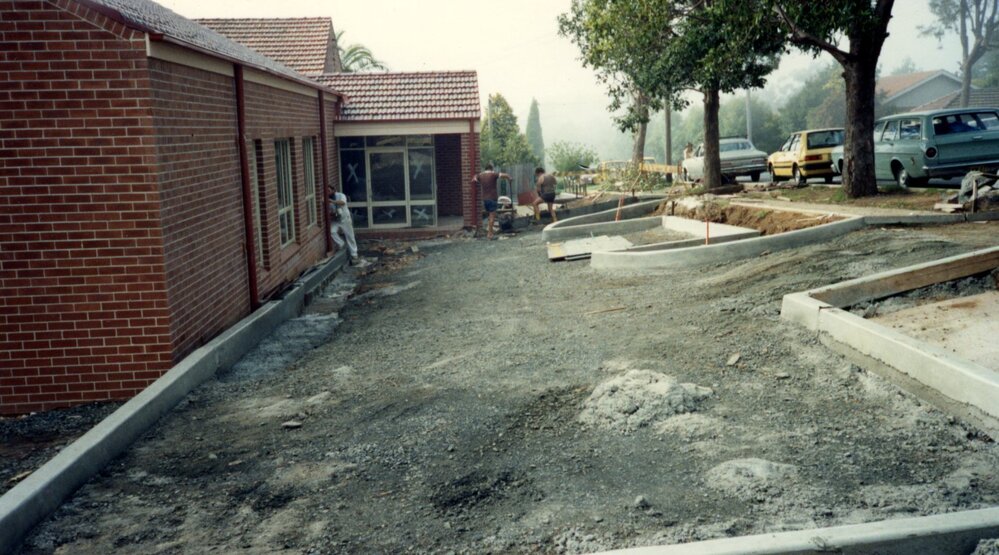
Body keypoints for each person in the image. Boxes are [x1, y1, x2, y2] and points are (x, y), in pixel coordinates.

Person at [472, 163, 512, 240]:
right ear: (491, 169)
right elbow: (505, 175)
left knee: (489, 216)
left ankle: (490, 231)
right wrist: (509, 178)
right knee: (492, 217)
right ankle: (490, 234)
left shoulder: (480, 175)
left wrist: (475, 179)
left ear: (485, 169)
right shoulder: (493, 174)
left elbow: (474, 178)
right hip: (492, 198)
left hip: (485, 199)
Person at [328, 186, 360, 264]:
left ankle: (354, 254)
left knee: (350, 236)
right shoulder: (327, 199)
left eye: (329, 191)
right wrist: (332, 213)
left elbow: (343, 203)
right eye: (327, 191)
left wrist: (332, 201)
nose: (328, 193)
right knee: (332, 231)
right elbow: (330, 211)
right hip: (336, 220)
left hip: (345, 219)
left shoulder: (340, 195)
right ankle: (342, 244)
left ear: (334, 190)